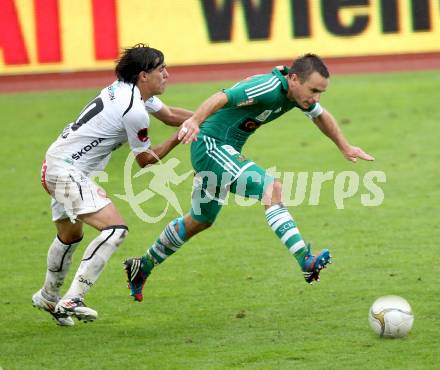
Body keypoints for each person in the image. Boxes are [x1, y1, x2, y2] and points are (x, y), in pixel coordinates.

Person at [124, 53, 374, 302]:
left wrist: (345, 146)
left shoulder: (298, 94)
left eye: (321, 92)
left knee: (201, 219)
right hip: (212, 146)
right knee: (271, 188)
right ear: (295, 79)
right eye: (314, 90)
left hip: (221, 150)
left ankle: (142, 266)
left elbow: (320, 115)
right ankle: (304, 259)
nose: (316, 98)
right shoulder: (268, 87)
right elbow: (221, 96)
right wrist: (195, 121)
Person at [32, 43, 193, 326]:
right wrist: (181, 137)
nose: (167, 73)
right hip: (67, 171)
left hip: (56, 163)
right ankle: (74, 297)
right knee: (116, 229)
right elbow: (145, 159)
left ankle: (48, 295)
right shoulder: (133, 109)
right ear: (144, 75)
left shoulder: (126, 89)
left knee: (70, 237)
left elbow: (168, 116)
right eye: (161, 69)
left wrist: (205, 116)